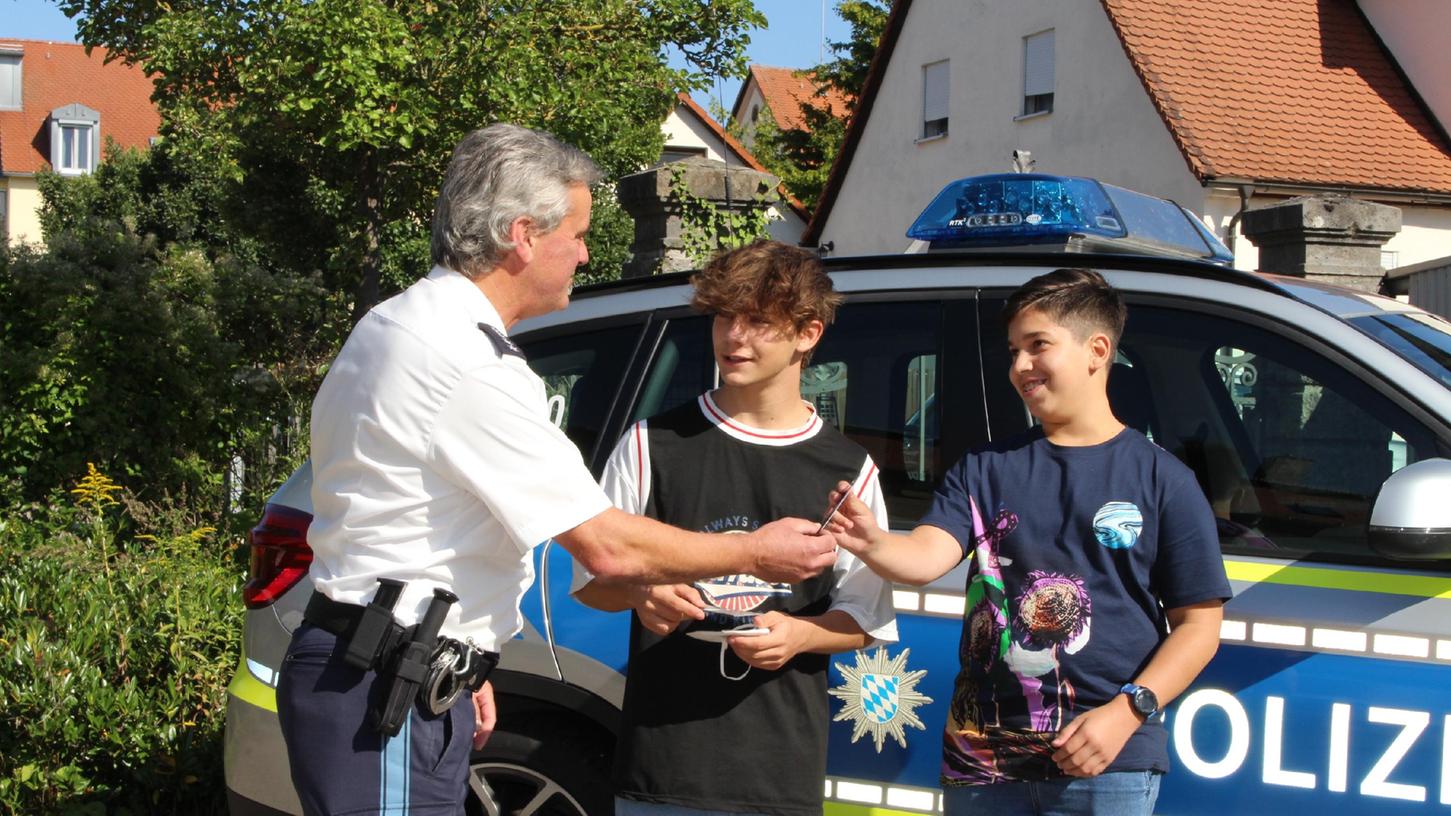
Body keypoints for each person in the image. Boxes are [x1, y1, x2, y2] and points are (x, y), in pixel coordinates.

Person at [276, 125, 837, 816]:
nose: (585, 252)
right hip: (382, 682)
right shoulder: (460, 359)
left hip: (399, 669)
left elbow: (423, 526)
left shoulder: (409, 325)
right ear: (522, 235)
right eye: (575, 233)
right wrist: (753, 551)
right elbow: (605, 545)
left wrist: (464, 655)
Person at [823, 268, 1230, 815]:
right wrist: (872, 541)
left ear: (1097, 350)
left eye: (1038, 346)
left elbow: (1199, 626)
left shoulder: (1163, 480)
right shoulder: (986, 469)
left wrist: (1128, 711)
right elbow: (927, 556)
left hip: (1106, 757)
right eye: (1013, 350)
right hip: (983, 759)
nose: (1019, 366)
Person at [572, 240, 898, 816]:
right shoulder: (652, 444)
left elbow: (867, 620)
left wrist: (800, 636)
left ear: (808, 334)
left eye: (759, 321)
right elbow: (593, 583)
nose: (734, 336)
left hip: (780, 772)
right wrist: (641, 593)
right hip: (661, 764)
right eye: (724, 316)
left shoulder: (850, 468)